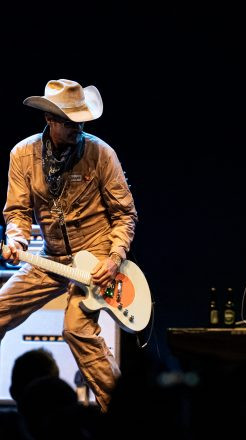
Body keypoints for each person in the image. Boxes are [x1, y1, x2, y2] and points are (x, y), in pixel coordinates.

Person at [0, 79, 138, 411]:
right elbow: (17, 211)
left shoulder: (101, 153)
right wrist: (16, 238)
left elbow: (125, 214)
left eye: (81, 120)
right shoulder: (23, 154)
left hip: (96, 263)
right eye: (69, 121)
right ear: (49, 120)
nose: (77, 127)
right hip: (52, 259)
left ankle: (123, 412)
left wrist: (114, 257)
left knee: (77, 329)